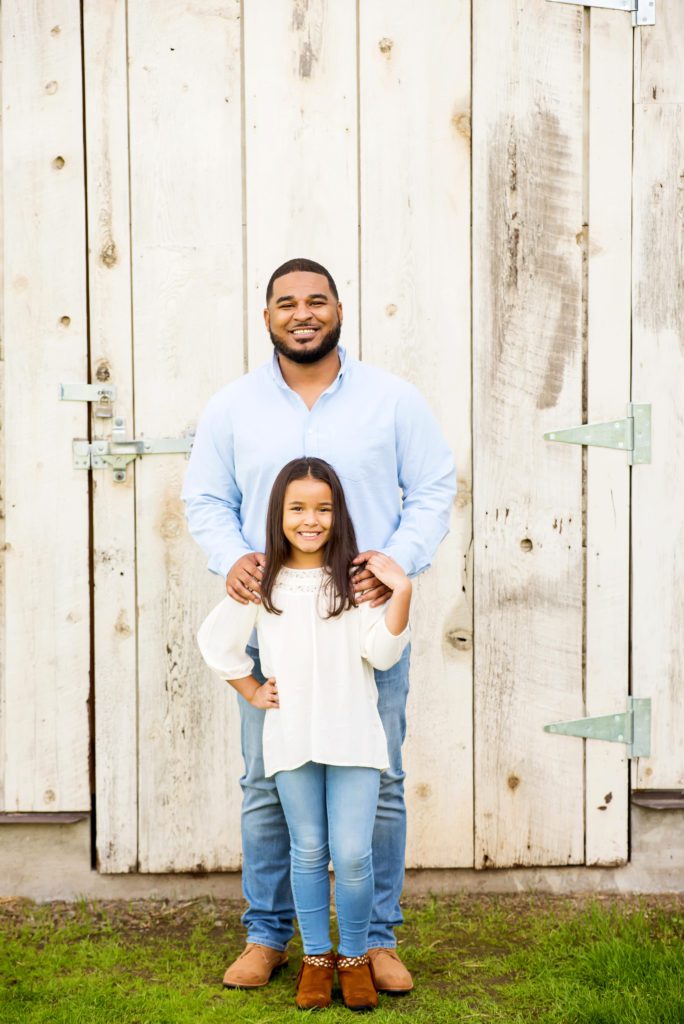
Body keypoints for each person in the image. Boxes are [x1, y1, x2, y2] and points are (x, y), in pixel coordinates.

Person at [182, 257, 455, 994]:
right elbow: (204, 498)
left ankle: (375, 941)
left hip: (363, 622)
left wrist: (395, 566)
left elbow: (434, 487)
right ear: (266, 316)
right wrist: (234, 558)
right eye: (286, 303)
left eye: (316, 300)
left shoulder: (392, 400)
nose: (302, 313)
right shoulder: (233, 407)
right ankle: (269, 935)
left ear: (338, 309)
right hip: (274, 624)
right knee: (265, 781)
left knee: (382, 781)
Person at [198, 457, 412, 1010]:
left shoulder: (356, 583)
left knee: (354, 852)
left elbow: (383, 653)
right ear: (279, 514)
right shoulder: (264, 584)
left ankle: (356, 956)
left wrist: (402, 592)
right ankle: (316, 958)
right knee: (309, 848)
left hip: (353, 735)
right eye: (297, 508)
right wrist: (251, 689)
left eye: (323, 508)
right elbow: (216, 642)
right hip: (292, 735)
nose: (310, 520)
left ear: (339, 515)